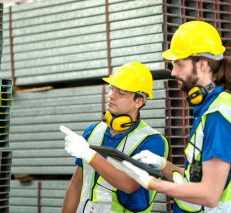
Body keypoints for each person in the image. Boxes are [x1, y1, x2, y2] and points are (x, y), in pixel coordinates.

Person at [108, 21, 231, 212]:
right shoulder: (219, 107)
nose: (173, 72)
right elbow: (198, 178)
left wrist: (151, 183)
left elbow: (209, 194)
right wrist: (164, 166)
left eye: (179, 64)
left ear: (202, 64)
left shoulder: (218, 117)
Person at [60, 61, 169, 213]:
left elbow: (129, 184)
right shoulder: (93, 131)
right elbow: (77, 183)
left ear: (139, 101)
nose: (111, 95)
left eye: (121, 93)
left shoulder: (152, 141)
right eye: (112, 89)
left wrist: (88, 154)